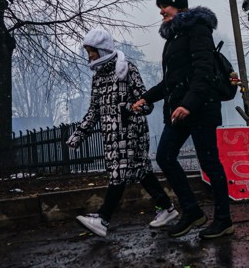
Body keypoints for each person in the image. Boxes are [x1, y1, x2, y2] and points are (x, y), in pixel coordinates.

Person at [132, 0, 233, 239]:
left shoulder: (198, 29)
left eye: (164, 6)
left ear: (177, 5)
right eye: (160, 8)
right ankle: (192, 211)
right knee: (165, 156)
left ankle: (223, 219)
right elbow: (172, 81)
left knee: (210, 163)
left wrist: (188, 104)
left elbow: (204, 72)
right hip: (179, 110)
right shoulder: (174, 37)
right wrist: (146, 97)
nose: (161, 12)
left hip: (199, 107)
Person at [67, 28, 179, 237]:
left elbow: (146, 103)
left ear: (102, 49)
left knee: (118, 175)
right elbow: (94, 111)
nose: (90, 56)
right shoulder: (98, 78)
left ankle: (103, 218)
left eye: (92, 51)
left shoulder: (127, 69)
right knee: (142, 173)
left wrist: (130, 108)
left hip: (131, 132)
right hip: (111, 136)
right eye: (88, 52)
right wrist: (78, 135)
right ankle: (167, 209)